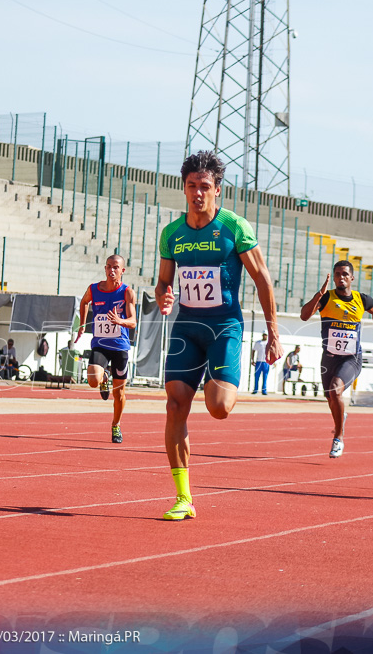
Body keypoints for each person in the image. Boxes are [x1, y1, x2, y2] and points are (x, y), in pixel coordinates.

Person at [155, 150, 281, 520]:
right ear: (184, 188)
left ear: (218, 190)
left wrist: (273, 333)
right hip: (187, 327)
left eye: (205, 187)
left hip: (224, 326)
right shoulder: (172, 233)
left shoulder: (234, 228)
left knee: (219, 408)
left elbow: (262, 278)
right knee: (175, 405)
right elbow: (163, 280)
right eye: (191, 186)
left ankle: (222, 374)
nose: (197, 193)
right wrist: (163, 293)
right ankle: (183, 498)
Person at [300, 260, 373, 458]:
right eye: (337, 274)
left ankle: (338, 438)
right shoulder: (326, 298)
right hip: (329, 358)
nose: (341, 277)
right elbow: (304, 316)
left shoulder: (362, 299)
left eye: (345, 274)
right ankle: (341, 417)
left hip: (351, 358)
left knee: (336, 389)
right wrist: (317, 296)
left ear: (352, 278)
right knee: (331, 398)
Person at [75, 255, 137, 443]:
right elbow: (84, 302)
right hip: (100, 344)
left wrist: (120, 321)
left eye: (115, 267)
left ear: (122, 270)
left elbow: (133, 321)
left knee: (119, 394)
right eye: (108, 267)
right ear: (105, 268)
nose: (112, 270)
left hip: (120, 347)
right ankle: (103, 378)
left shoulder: (127, 292)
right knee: (93, 380)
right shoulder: (94, 289)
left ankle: (116, 425)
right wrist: (82, 324)